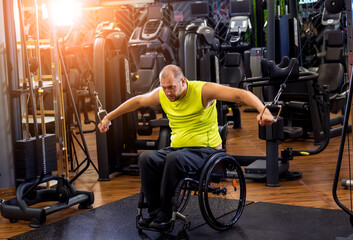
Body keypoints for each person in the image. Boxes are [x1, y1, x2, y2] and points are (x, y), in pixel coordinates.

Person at [98, 64, 273, 230]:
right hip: (179, 150)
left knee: (174, 159)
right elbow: (137, 101)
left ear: (183, 82)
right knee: (146, 158)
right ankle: (154, 213)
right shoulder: (162, 94)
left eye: (171, 87)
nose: (167, 92)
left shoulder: (202, 90)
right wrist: (108, 118)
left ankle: (165, 215)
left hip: (206, 151)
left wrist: (262, 109)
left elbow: (240, 95)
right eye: (164, 87)